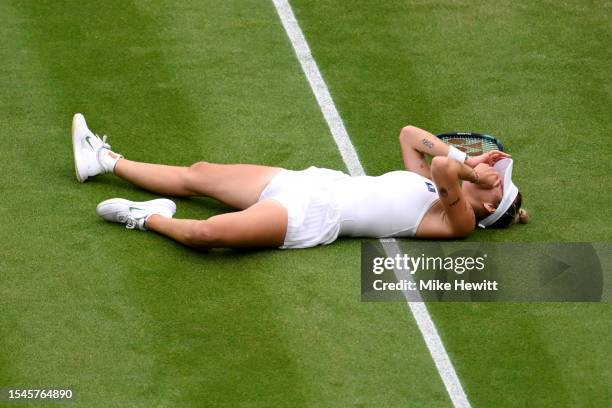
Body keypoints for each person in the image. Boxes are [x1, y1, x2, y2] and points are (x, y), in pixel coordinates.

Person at [72, 114, 528, 249]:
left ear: (488, 207)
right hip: (311, 181)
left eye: (495, 183)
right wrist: (476, 164)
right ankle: (104, 159)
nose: (489, 174)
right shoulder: (427, 186)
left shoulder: (459, 221)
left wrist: (468, 167)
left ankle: (148, 218)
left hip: (311, 217)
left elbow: (447, 167)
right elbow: (411, 135)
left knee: (206, 233)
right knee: (200, 175)